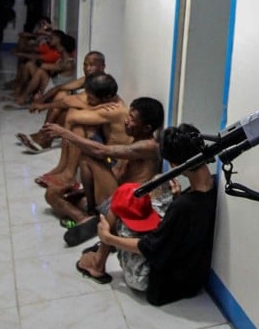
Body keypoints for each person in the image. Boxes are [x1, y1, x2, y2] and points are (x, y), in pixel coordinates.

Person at [77, 123, 217, 307]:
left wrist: (109, 238)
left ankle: (97, 263)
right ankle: (105, 247)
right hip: (192, 279)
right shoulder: (214, 185)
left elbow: (150, 248)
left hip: (160, 284)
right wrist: (176, 199)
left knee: (120, 203)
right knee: (156, 183)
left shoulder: (184, 206)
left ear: (175, 164)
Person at [44, 95, 164, 247]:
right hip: (111, 198)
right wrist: (86, 191)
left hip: (123, 206)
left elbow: (101, 151)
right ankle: (85, 219)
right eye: (128, 116)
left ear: (147, 127)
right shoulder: (135, 139)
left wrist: (65, 133)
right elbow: (116, 173)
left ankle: (92, 214)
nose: (126, 121)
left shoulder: (149, 147)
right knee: (52, 194)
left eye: (132, 119)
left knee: (89, 157)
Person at [17, 50, 107, 152]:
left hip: (97, 123)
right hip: (87, 113)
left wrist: (44, 106)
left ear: (102, 66)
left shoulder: (101, 82)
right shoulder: (87, 79)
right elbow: (59, 88)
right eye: (85, 65)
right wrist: (40, 102)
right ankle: (43, 135)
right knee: (62, 94)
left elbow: (72, 101)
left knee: (65, 109)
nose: (87, 68)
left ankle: (44, 137)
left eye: (92, 65)